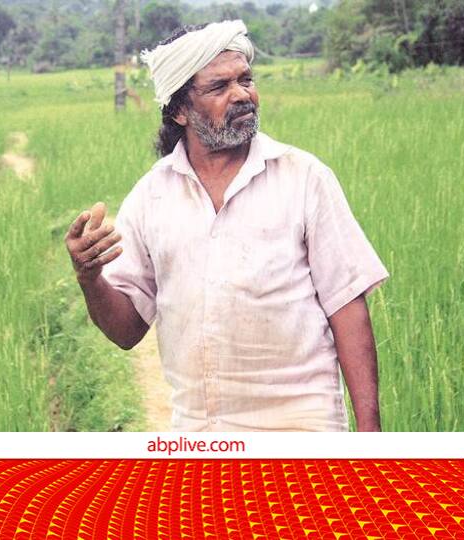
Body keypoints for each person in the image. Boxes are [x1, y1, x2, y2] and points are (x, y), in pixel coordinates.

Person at [64, 20, 389, 432]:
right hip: (200, 434)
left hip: (304, 427)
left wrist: (370, 433)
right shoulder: (151, 198)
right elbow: (127, 330)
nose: (242, 95)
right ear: (180, 110)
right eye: (219, 87)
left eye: (246, 80)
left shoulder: (304, 178)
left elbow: (347, 306)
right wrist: (89, 278)